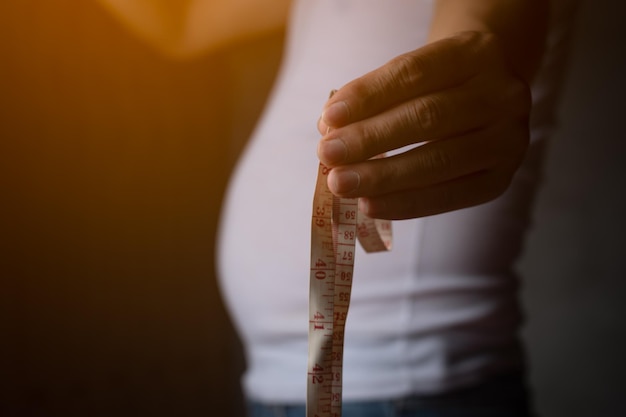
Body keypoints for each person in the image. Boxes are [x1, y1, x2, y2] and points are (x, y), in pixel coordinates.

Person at [98, 1, 578, 416]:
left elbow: (482, 28)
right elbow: (181, 21)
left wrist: (473, 63)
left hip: (413, 386)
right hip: (273, 383)